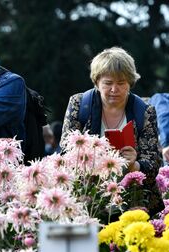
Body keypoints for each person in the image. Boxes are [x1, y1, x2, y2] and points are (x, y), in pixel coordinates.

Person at [61, 47, 163, 216]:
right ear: (96, 82)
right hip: (88, 198)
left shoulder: (145, 111)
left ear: (130, 83)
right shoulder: (79, 103)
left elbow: (154, 162)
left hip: (132, 199)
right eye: (108, 83)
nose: (114, 89)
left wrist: (135, 164)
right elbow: (66, 150)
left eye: (121, 83)